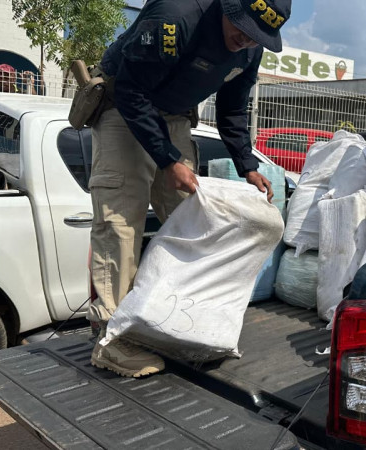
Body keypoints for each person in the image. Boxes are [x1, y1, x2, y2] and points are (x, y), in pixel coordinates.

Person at [89, 0, 291, 377]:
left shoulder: (249, 46)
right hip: (123, 106)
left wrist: (247, 165)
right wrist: (168, 159)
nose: (244, 39)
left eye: (256, 35)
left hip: (175, 117)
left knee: (192, 217)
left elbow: (233, 107)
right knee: (120, 223)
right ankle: (111, 339)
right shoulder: (176, 17)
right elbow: (131, 90)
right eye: (241, 27)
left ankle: (173, 322)